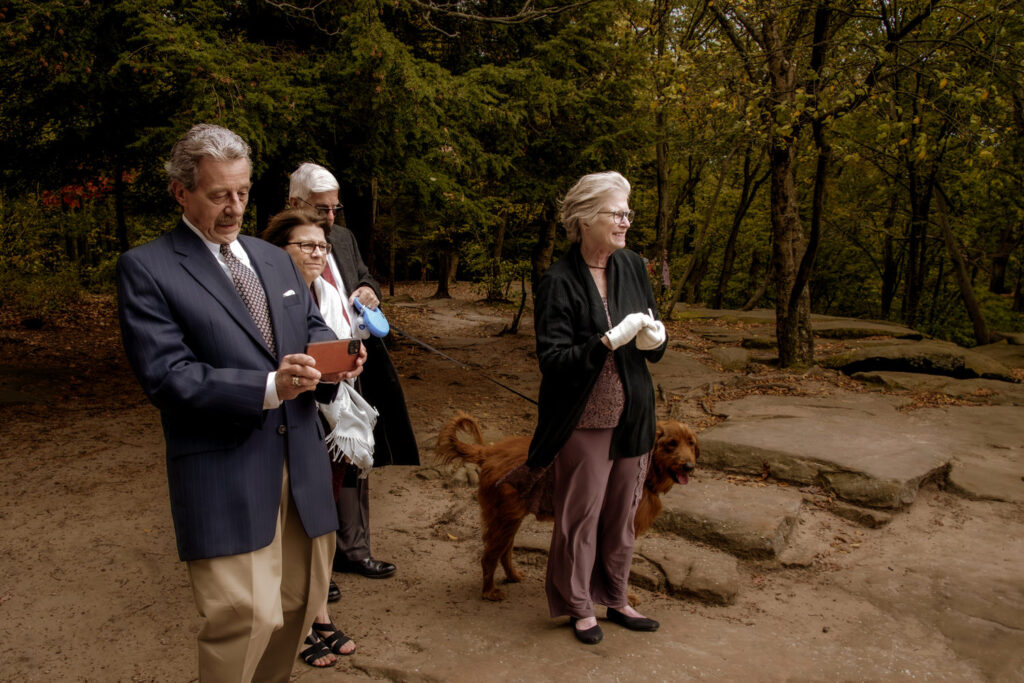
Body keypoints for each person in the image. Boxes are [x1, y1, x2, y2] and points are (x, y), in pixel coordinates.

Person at [116, 124, 358, 681]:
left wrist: (335, 360)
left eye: (243, 192)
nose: (234, 207)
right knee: (245, 616)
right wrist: (270, 387)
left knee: (298, 606)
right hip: (224, 469)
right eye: (218, 194)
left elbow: (310, 326)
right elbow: (168, 377)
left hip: (302, 465)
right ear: (181, 192)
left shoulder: (272, 259)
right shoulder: (147, 267)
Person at [526, 171, 667, 645]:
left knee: (622, 513)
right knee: (580, 515)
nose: (625, 221)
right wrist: (606, 340)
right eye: (616, 213)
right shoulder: (559, 280)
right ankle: (577, 604)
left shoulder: (632, 266)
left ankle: (616, 596)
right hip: (586, 416)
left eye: (628, 213)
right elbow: (554, 361)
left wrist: (655, 340)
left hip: (635, 412)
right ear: (585, 218)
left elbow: (651, 341)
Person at [288, 162, 420, 580]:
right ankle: (314, 567)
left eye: (334, 209)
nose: (330, 219)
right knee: (312, 466)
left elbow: (364, 277)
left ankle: (354, 549)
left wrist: (369, 291)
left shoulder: (342, 237)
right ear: (294, 204)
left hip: (354, 364)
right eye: (320, 209)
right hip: (304, 373)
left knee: (353, 455)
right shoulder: (276, 245)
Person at [260, 208, 367, 667]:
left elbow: (331, 341)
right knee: (288, 524)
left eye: (322, 246)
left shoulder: (327, 291)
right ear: (276, 252)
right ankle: (297, 622)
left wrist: (348, 360)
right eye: (306, 245)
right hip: (280, 420)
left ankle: (317, 612)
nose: (317, 253)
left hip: (329, 415)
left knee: (319, 516)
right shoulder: (265, 294)